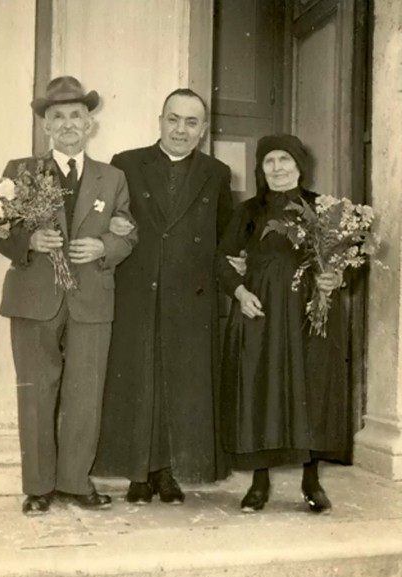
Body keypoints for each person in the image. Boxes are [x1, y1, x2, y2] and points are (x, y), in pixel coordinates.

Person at [0, 76, 137, 515]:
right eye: (58, 117)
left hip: (91, 298)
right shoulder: (21, 170)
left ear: (89, 124)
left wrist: (105, 247)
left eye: (76, 116)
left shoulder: (112, 178)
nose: (69, 124)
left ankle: (75, 481)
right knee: (36, 392)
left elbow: (128, 232)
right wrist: (28, 241)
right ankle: (37, 486)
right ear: (46, 126)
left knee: (85, 393)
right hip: (34, 297)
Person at [93, 88, 233, 504]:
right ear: (160, 121)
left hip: (191, 295)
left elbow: (224, 236)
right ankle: (140, 472)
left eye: (192, 122)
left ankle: (168, 471)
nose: (181, 130)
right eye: (174, 119)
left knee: (180, 384)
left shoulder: (217, 172)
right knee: (140, 380)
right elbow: (109, 219)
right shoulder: (127, 163)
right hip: (138, 290)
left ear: (203, 130)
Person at [217, 134, 350, 514]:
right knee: (260, 391)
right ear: (261, 168)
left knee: (311, 389)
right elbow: (222, 261)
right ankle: (259, 484)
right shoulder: (248, 213)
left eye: (284, 160)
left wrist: (335, 278)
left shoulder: (323, 209)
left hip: (310, 315)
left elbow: (344, 263)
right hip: (260, 315)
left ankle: (312, 482)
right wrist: (240, 293)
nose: (277, 167)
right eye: (269, 161)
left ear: (298, 166)